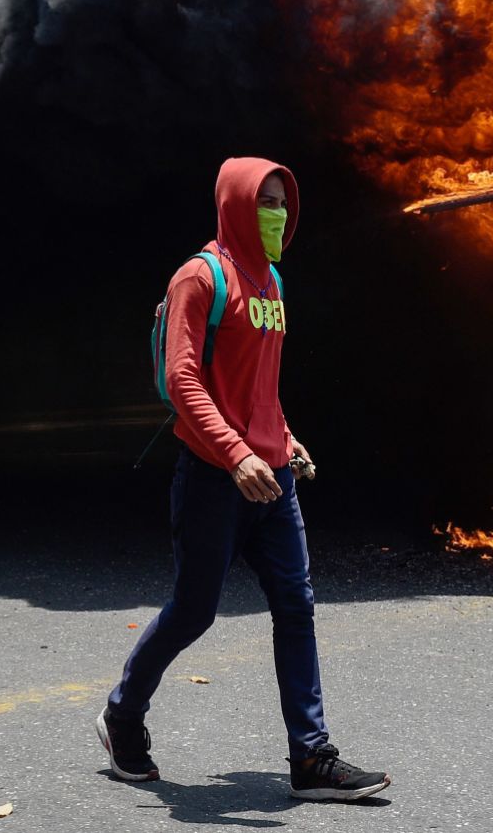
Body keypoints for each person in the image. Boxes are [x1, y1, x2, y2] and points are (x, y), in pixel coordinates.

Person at [95, 157, 390, 801]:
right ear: (235, 204)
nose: (278, 214)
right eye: (265, 201)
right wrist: (235, 454)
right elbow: (182, 381)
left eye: (284, 202)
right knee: (194, 611)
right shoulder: (199, 279)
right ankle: (121, 717)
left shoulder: (273, 283)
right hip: (212, 479)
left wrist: (283, 439)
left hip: (271, 479)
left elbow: (259, 387)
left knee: (297, 607)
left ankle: (311, 759)